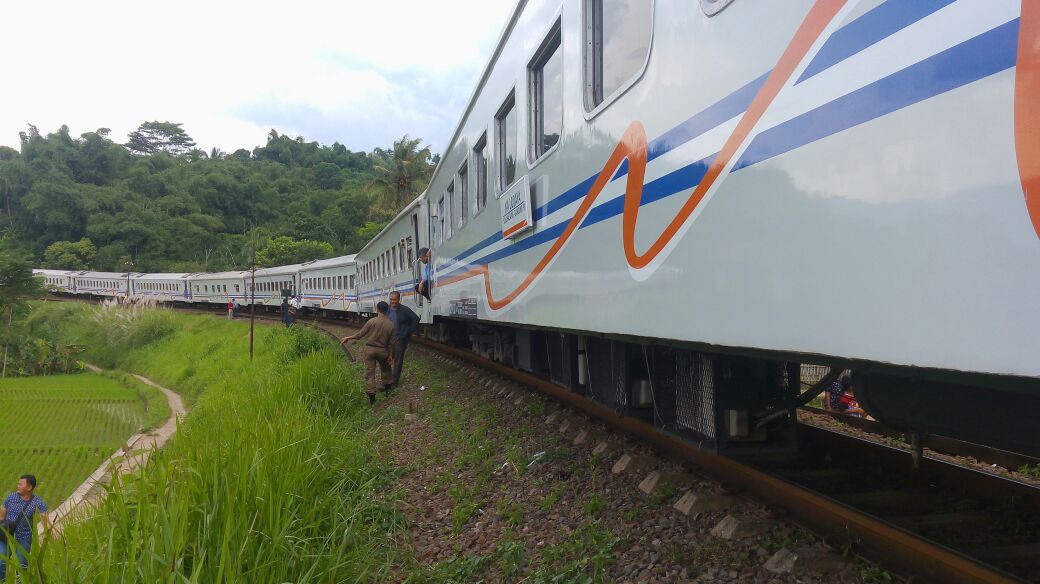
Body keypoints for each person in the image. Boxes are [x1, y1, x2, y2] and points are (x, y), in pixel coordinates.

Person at [340, 301, 395, 405]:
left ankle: (372, 398)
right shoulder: (391, 325)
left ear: (377, 309)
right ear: (387, 310)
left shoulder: (371, 321)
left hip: (370, 350)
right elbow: (391, 343)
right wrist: (390, 356)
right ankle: (388, 391)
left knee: (370, 373)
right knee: (386, 370)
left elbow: (360, 335)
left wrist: (348, 337)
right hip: (383, 351)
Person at [0, 475, 49, 581]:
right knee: (1, 561)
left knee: (22, 565)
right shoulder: (11, 497)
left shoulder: (37, 501)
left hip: (24, 538)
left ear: (29, 487)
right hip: (6, 535)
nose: (17, 486)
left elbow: (45, 518)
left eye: (20, 484)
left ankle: (20, 582)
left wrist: (47, 530)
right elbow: (1, 516)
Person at [386, 291, 419, 388]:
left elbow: (415, 319)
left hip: (399, 338)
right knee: (386, 359)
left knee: (398, 361)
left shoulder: (404, 310)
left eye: (394, 299)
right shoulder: (387, 310)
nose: (392, 301)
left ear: (398, 299)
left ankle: (394, 382)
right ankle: (387, 380)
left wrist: (408, 332)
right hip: (387, 340)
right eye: (391, 299)